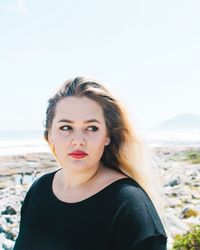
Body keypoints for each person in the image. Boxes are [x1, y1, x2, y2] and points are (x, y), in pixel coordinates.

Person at [14, 76, 168, 250]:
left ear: (107, 136)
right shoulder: (39, 189)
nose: (78, 140)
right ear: (50, 134)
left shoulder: (130, 206)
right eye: (66, 127)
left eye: (92, 128)